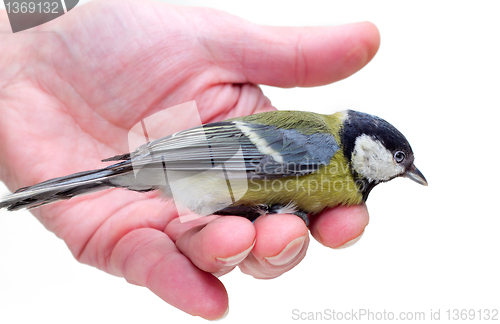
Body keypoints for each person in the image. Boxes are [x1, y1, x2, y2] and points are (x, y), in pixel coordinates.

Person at [0, 0, 379, 320]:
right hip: (192, 162)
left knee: (248, 237)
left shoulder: (338, 178)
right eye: (397, 158)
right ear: (365, 144)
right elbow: (225, 146)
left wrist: (16, 29)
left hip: (198, 175)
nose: (402, 170)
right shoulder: (323, 145)